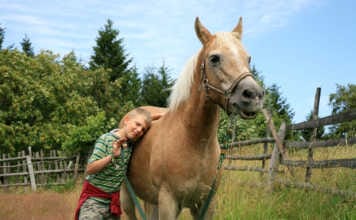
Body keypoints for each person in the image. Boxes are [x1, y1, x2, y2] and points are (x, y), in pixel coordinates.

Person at [75, 107, 163, 220]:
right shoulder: (106, 139)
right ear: (126, 120)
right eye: (137, 124)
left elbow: (140, 120)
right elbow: (90, 168)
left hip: (112, 204)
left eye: (143, 130)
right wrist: (111, 157)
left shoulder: (129, 143)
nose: (138, 130)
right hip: (94, 203)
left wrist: (161, 115)